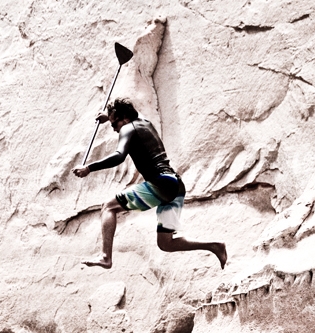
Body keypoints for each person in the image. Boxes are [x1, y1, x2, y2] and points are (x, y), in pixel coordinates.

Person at [72, 98, 226, 270]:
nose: (114, 129)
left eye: (114, 124)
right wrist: (109, 117)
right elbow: (128, 113)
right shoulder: (145, 123)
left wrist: (89, 168)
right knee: (165, 243)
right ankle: (215, 246)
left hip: (161, 184)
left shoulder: (127, 128)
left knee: (108, 207)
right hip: (175, 185)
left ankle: (105, 257)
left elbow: (119, 155)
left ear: (124, 118)